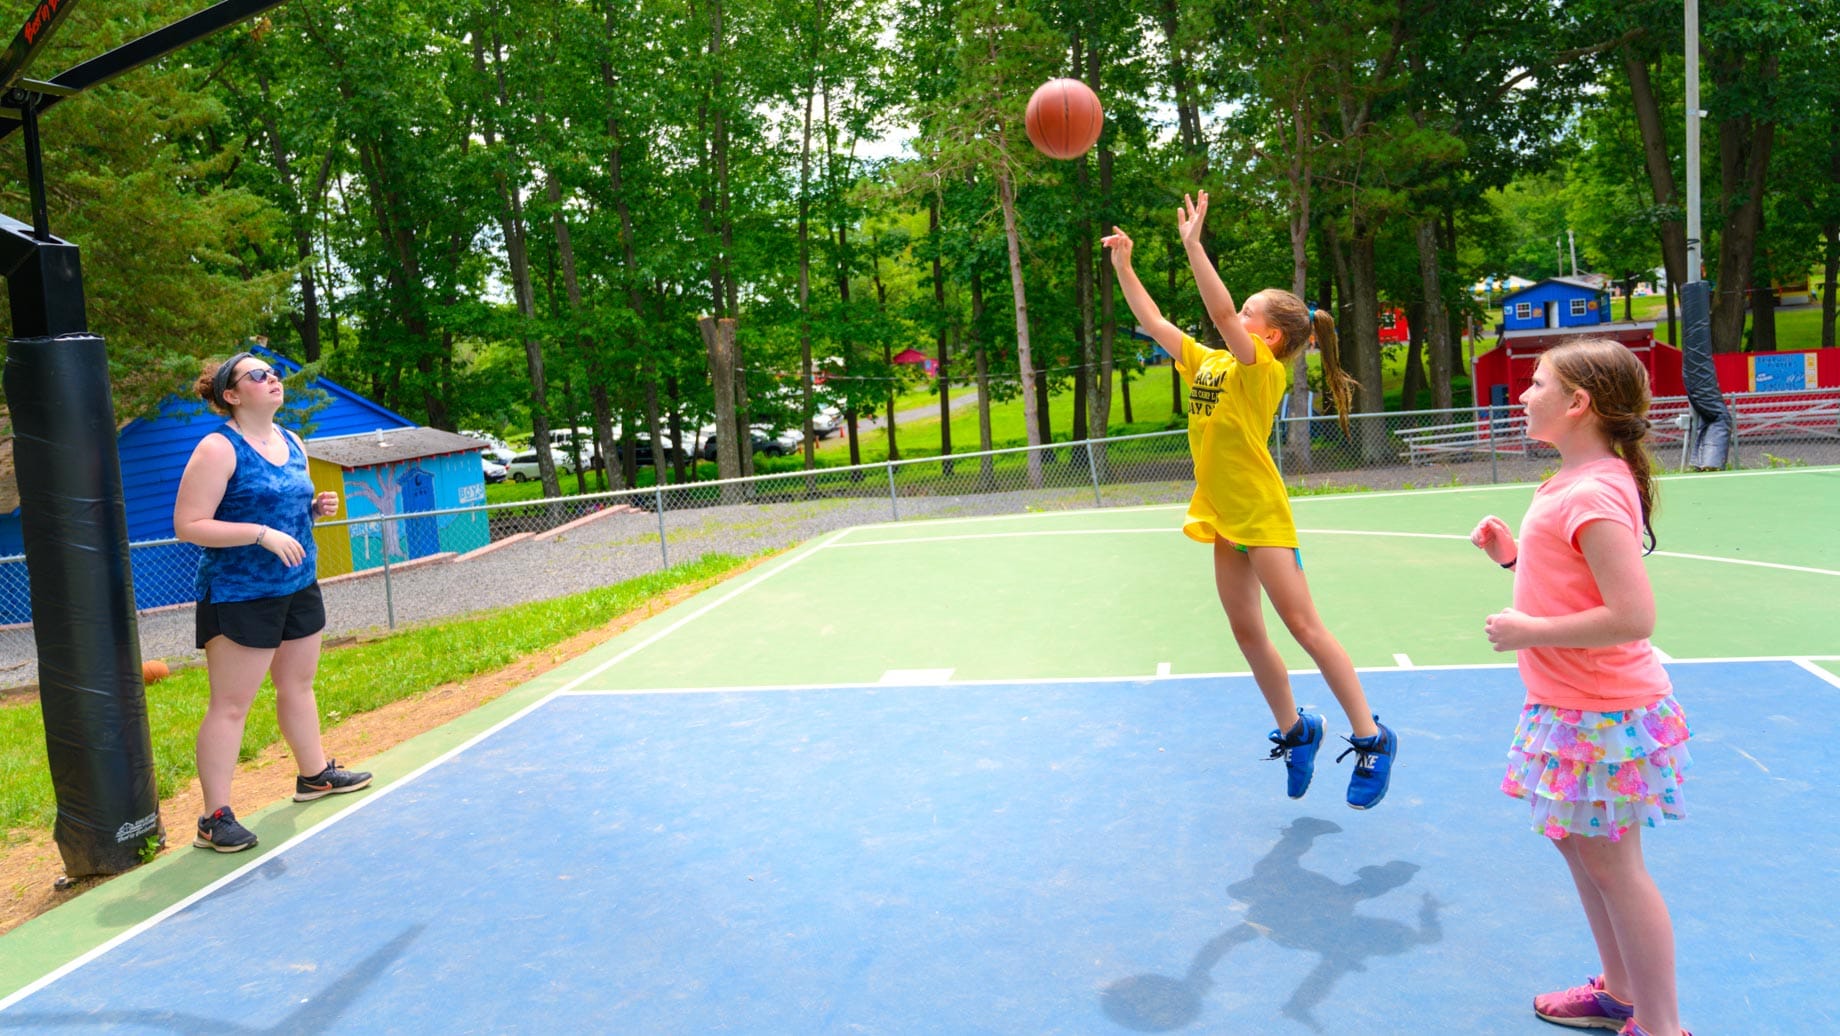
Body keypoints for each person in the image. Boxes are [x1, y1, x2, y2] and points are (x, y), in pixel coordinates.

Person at [1101, 192, 1397, 809]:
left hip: (1261, 514)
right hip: (1220, 515)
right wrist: (1126, 266)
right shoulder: (1207, 363)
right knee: (1246, 632)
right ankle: (1299, 731)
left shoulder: (1262, 369)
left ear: (1270, 334)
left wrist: (1193, 246)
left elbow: (1218, 313)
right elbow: (1156, 324)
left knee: (1304, 627)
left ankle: (1372, 738)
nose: (1236, 313)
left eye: (1247, 311)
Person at [1469, 338, 1691, 1036]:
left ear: (1578, 402)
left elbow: (1632, 615)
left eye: (1536, 383)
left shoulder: (1594, 490)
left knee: (1615, 867)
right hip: (1569, 707)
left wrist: (1528, 629)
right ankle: (1620, 993)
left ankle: (1660, 1026)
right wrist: (1512, 558)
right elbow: (1573, 582)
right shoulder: (1574, 480)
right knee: (1579, 844)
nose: (1523, 394)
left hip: (1602, 711)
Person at [174, 352, 372, 853]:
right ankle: (213, 818)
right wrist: (261, 534)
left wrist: (312, 509)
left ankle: (314, 775)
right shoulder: (218, 448)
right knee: (231, 705)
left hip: (298, 584)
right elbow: (189, 525)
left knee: (298, 685)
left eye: (273, 372)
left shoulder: (293, 441)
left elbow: (284, 508)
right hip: (241, 594)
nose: (273, 378)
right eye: (257, 375)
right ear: (232, 395)